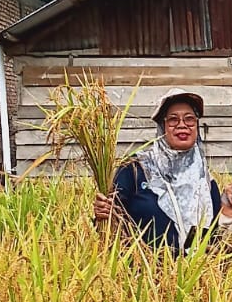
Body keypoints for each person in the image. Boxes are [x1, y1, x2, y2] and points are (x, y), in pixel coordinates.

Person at [93, 91, 221, 251]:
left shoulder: (207, 183)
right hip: (141, 272)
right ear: (162, 126)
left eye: (189, 119)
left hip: (195, 273)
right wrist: (101, 213)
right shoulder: (135, 168)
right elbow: (108, 223)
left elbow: (215, 239)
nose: (182, 125)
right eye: (173, 119)